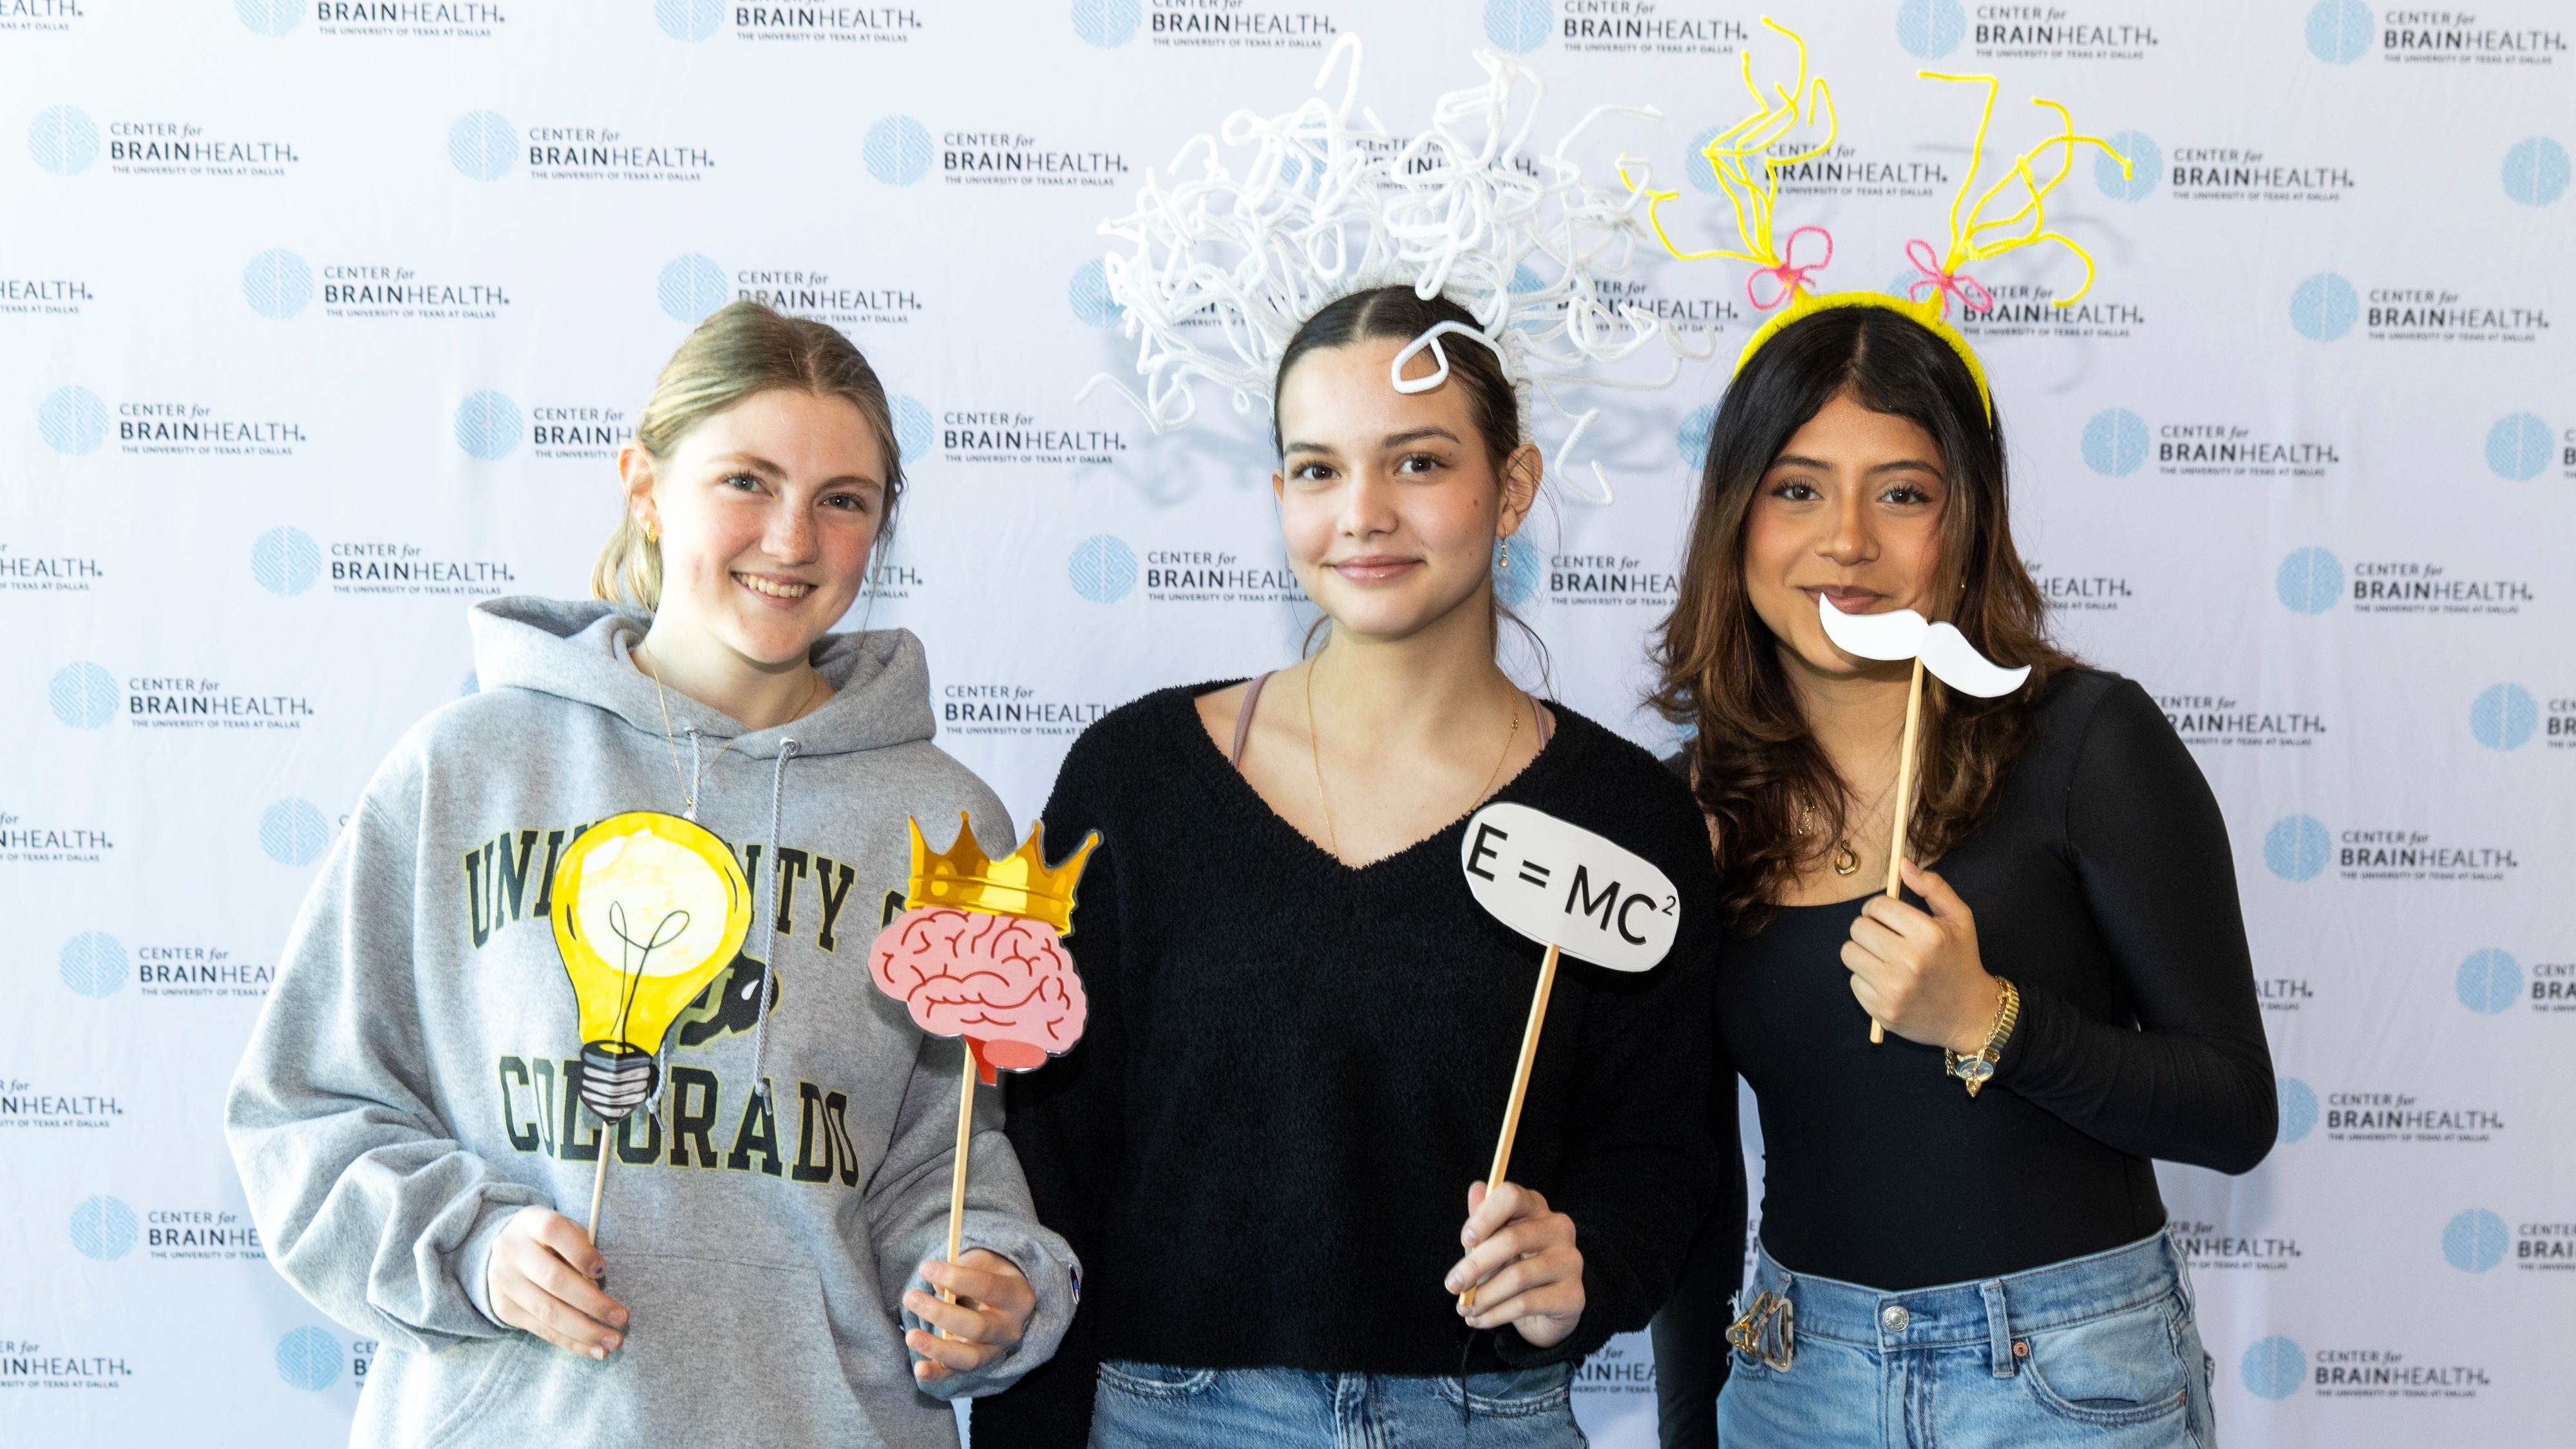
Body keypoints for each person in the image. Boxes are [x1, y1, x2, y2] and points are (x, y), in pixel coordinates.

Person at [225, 300, 1076, 1448]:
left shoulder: (942, 822)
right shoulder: (465, 769)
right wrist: (473, 1246)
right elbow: (306, 1112)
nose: (792, 539)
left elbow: (940, 1157)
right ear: (644, 485)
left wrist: (994, 1281)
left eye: (843, 501)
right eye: (746, 481)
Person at [970, 286, 1732, 1448]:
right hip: (1171, 1420)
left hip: (1489, 1419)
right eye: (1319, 471)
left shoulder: (1624, 816)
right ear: (1280, 497)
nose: (1364, 514)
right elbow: (1051, 1165)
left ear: (1513, 486)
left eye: (1418, 462)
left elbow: (1663, 1153)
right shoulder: (1134, 779)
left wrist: (1582, 1266)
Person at [1645, 303, 2277, 1448]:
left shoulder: (2090, 743)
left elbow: (2235, 1110)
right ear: (1734, 517)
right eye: (1796, 488)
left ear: (1967, 521)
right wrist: (1693, 1430)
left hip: (2067, 1382)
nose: (1847, 539)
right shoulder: (1688, 809)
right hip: (1796, 1378)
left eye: (1902, 492)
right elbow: (1691, 1175)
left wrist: (1993, 1021)